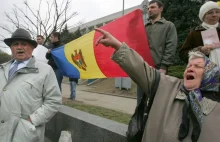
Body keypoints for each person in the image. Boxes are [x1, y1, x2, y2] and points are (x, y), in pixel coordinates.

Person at [95, 27, 220, 142]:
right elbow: (141, 69)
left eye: (197, 66)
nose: (190, 69)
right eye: (188, 66)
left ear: (210, 75)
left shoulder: (216, 109)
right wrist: (117, 45)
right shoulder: (168, 86)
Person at [0, 28, 62, 142]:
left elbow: (54, 101)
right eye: (15, 44)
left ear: (33, 48)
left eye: (24, 44)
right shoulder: (2, 69)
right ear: (11, 48)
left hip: (25, 134)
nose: (19, 47)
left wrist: (31, 121)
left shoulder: (45, 70)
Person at [137, 0, 178, 104]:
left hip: (158, 70)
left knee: (156, 103)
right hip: (142, 68)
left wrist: (164, 67)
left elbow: (171, 47)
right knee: (141, 102)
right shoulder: (144, 27)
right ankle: (140, 120)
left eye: (153, 7)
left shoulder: (168, 26)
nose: (149, 10)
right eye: (148, 8)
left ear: (161, 8)